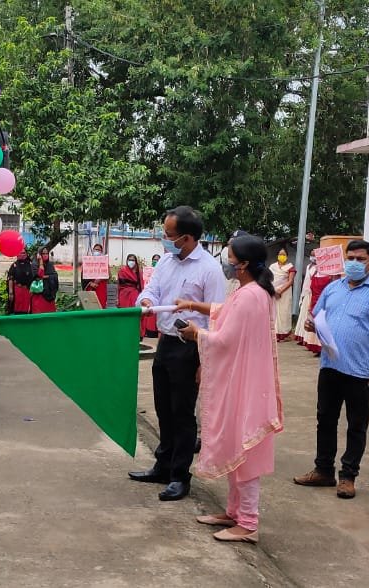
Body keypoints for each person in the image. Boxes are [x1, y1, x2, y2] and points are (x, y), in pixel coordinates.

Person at [173, 235, 283, 543]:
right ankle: (235, 512)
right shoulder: (250, 291)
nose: (227, 261)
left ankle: (248, 523)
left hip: (246, 384)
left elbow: (225, 340)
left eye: (230, 256)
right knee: (238, 448)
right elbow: (224, 311)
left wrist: (197, 335)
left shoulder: (251, 295)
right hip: (245, 380)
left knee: (245, 453)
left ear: (244, 264)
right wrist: (195, 305)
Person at [128, 206, 228, 501]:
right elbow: (152, 290)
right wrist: (146, 300)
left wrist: (205, 360)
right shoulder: (167, 262)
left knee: (183, 414)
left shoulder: (209, 269)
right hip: (166, 343)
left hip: (192, 348)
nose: (164, 239)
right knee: (163, 408)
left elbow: (218, 316)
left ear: (186, 238)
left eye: (168, 235)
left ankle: (180, 476)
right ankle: (163, 464)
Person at [293, 240, 369, 499]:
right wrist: (311, 325)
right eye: (350, 258)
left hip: (360, 372)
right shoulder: (333, 288)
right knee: (325, 420)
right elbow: (318, 317)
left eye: (360, 259)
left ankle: (348, 476)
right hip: (330, 366)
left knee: (356, 425)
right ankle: (323, 470)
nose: (353, 263)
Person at [270, 249, 296, 341]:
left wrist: (280, 291)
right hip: (273, 291)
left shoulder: (290, 267)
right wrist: (273, 290)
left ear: (287, 256)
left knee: (284, 312)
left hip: (285, 293)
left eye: (284, 254)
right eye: (280, 254)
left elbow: (290, 281)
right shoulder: (272, 267)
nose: (282, 256)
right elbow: (269, 279)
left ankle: (284, 334)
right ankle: (274, 333)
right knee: (274, 311)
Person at [293, 255, 318, 351]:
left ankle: (309, 340)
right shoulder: (308, 266)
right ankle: (302, 336)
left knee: (309, 317)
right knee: (303, 316)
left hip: (313, 294)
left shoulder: (318, 269)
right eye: (312, 254)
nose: (313, 257)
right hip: (306, 293)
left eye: (315, 255)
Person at [118, 253, 145, 338]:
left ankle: (136, 333)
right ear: (126, 261)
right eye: (129, 260)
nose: (131, 262)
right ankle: (124, 332)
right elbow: (119, 284)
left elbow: (141, 285)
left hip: (134, 294)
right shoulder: (122, 271)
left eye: (133, 260)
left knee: (134, 313)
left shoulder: (139, 272)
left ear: (136, 262)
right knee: (124, 313)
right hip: (123, 294)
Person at [30, 248, 59, 314]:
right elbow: (39, 276)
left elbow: (55, 276)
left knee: (50, 317)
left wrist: (47, 277)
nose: (45, 255)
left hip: (50, 295)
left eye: (47, 253)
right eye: (43, 253)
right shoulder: (34, 264)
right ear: (39, 254)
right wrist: (40, 262)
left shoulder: (50, 265)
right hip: (39, 295)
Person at [83, 243, 109, 308]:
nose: (97, 251)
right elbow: (83, 275)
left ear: (101, 252)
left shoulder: (104, 262)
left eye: (99, 250)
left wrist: (106, 269)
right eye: (96, 250)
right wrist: (90, 283)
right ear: (93, 250)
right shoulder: (87, 261)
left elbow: (109, 276)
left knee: (101, 305)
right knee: (90, 306)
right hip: (90, 287)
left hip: (101, 287)